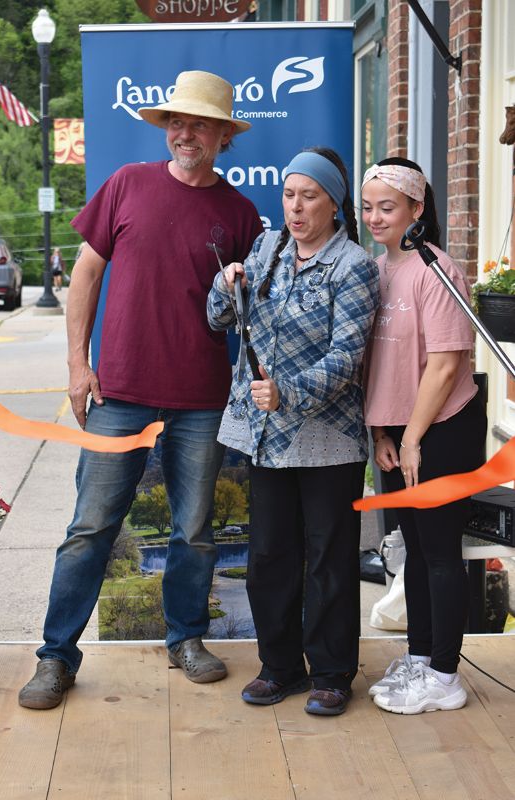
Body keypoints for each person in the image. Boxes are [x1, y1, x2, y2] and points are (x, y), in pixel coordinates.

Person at [18, 70, 263, 710]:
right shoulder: (127, 183)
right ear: (168, 130)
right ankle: (55, 657)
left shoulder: (238, 213)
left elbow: (254, 310)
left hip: (202, 399)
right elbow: (86, 274)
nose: (187, 134)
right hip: (119, 392)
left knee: (196, 530)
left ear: (221, 136)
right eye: (178, 123)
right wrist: (78, 364)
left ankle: (186, 638)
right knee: (90, 527)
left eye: (201, 124)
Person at [207, 148, 380, 716]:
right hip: (265, 437)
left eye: (309, 196)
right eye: (288, 195)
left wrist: (291, 391)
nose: (296, 207)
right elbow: (220, 319)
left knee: (329, 557)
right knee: (269, 556)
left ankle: (331, 673)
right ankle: (279, 667)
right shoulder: (264, 250)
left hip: (327, 439)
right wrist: (224, 282)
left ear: (334, 202)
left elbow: (347, 355)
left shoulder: (353, 265)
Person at [361, 157, 487, 714]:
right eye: (368, 208)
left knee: (440, 553)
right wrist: (384, 433)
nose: (375, 217)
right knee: (412, 549)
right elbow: (381, 366)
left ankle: (444, 675)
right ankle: (419, 655)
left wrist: (412, 438)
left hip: (442, 428)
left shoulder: (435, 268)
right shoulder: (378, 269)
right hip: (401, 434)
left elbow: (444, 363)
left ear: (417, 209)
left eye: (388, 207)